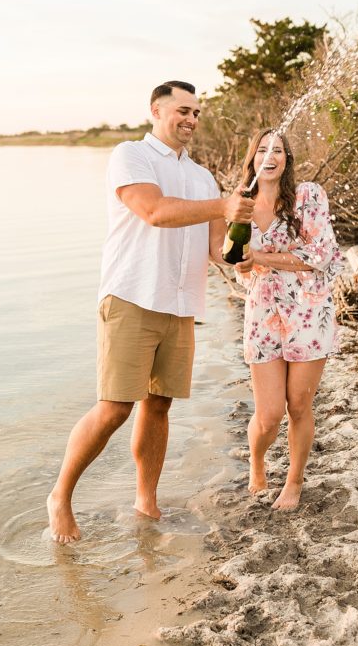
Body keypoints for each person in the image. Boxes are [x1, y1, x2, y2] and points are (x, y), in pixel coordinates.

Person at [47, 80, 254, 543]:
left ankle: (147, 502)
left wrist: (247, 241)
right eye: (183, 110)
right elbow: (155, 212)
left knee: (158, 406)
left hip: (180, 304)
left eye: (197, 113)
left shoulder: (202, 177)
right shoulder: (129, 155)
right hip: (131, 296)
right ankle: (60, 496)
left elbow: (219, 251)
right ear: (156, 111)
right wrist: (222, 203)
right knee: (115, 407)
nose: (192, 120)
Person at [232, 128, 343, 511]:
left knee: (298, 405)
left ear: (287, 160)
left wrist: (261, 260)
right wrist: (242, 260)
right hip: (263, 313)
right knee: (268, 415)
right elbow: (240, 269)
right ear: (252, 160)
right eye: (262, 149)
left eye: (278, 150)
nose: (270, 155)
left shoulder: (308, 196)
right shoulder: (240, 206)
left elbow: (321, 253)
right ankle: (257, 460)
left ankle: (293, 481)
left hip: (309, 310)